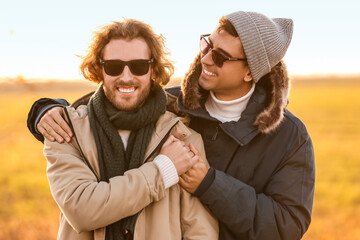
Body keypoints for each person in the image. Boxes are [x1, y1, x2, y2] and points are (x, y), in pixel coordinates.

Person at [27, 11, 315, 240]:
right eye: (207, 44)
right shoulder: (175, 104)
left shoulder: (290, 137)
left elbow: (286, 227)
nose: (206, 58)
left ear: (251, 72)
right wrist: (46, 109)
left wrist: (209, 184)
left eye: (221, 56)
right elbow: (114, 99)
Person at [37, 18, 218, 240]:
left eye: (138, 66)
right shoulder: (65, 131)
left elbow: (200, 232)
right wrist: (163, 170)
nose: (126, 77)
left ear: (153, 70)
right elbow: (81, 210)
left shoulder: (182, 137)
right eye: (113, 66)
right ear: (99, 69)